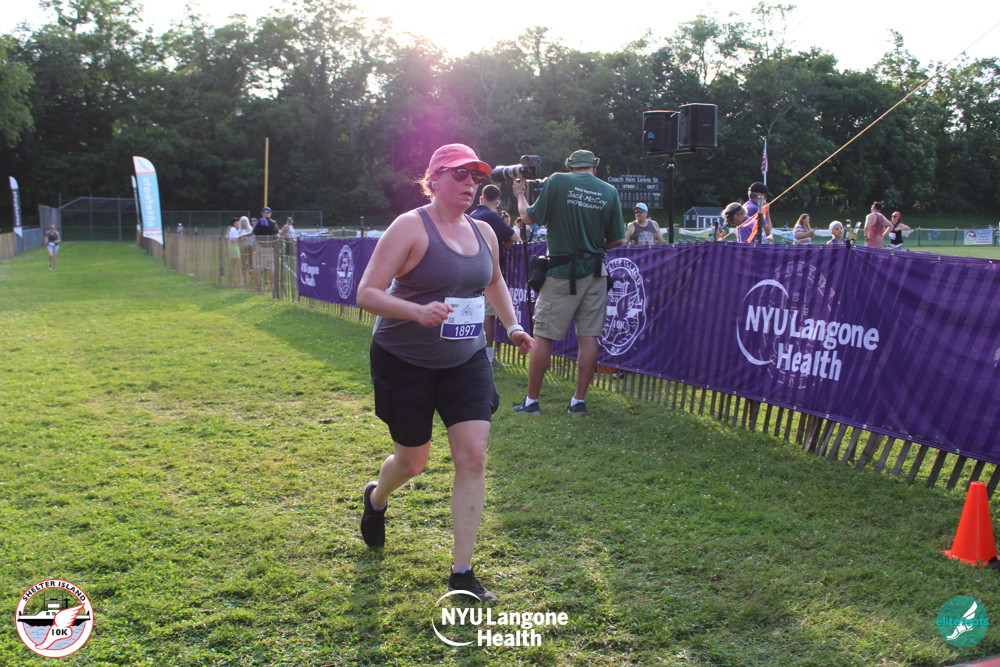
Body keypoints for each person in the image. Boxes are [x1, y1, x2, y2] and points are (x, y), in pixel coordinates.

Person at [356, 143, 534, 604]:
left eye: (476, 177)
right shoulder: (410, 227)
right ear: (434, 179)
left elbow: (493, 281)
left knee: (472, 455)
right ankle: (376, 498)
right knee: (412, 462)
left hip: (465, 358)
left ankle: (462, 573)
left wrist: (513, 325)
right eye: (460, 175)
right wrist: (416, 312)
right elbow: (367, 293)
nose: (470, 184)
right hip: (404, 359)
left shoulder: (484, 231)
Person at [511, 148, 626, 417]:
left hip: (561, 272)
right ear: (594, 168)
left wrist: (519, 194)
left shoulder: (558, 180)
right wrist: (594, 248)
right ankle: (578, 402)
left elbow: (528, 218)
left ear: (571, 167)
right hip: (596, 273)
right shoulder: (609, 191)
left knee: (543, 335)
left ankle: (531, 402)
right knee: (588, 336)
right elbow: (619, 239)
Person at [469, 184, 520, 369]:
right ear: (498, 203)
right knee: (488, 315)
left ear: (480, 199)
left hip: (471, 268)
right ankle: (488, 356)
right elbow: (515, 237)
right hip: (488, 272)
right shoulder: (491, 216)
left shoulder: (472, 214)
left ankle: (476, 352)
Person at [252, 207, 279, 290]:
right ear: (270, 214)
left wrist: (242, 236)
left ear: (262, 213)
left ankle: (258, 286)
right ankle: (272, 286)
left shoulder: (260, 222)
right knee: (271, 267)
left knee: (257, 266)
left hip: (262, 247)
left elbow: (253, 232)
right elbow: (277, 234)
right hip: (270, 247)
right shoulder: (274, 223)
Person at [226, 217, 245, 285]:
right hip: (234, 247)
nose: (239, 224)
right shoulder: (233, 230)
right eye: (238, 222)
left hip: (231, 247)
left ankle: (232, 282)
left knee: (232, 266)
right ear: (234, 223)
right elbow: (233, 240)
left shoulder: (231, 229)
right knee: (239, 265)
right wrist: (241, 240)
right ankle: (241, 281)